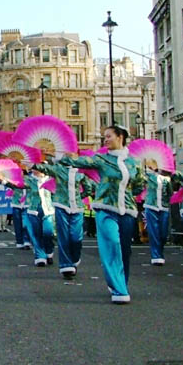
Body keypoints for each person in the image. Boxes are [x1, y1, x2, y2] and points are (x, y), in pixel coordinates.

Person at [59, 126, 144, 304]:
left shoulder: (134, 163)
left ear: (120, 137)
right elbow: (80, 162)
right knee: (112, 243)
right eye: (104, 137)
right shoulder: (101, 159)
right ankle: (119, 289)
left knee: (125, 250)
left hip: (127, 211)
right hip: (105, 209)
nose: (105, 140)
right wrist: (64, 156)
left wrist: (126, 194)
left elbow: (138, 185)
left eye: (108, 136)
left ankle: (120, 283)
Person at [31, 159, 86, 278]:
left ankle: (74, 258)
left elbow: (89, 188)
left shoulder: (81, 172)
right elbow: (45, 169)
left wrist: (78, 197)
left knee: (76, 238)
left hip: (76, 208)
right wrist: (31, 163)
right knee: (62, 236)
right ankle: (66, 265)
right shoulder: (58, 170)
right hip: (60, 207)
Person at [142, 165, 173, 266]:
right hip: (151, 206)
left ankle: (160, 251)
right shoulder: (149, 176)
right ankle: (156, 256)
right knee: (153, 231)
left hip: (164, 207)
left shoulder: (168, 179)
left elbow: (170, 193)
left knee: (163, 233)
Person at [8, 183, 31, 250]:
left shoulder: (30, 179)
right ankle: (19, 242)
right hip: (16, 203)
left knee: (26, 223)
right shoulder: (14, 179)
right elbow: (8, 184)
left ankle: (26, 241)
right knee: (17, 224)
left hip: (27, 203)